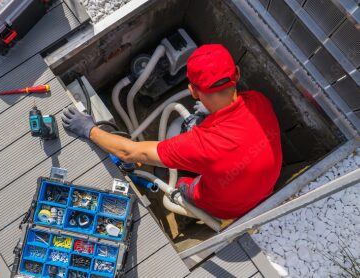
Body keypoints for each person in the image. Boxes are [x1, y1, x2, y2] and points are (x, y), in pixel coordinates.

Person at [62, 44, 282, 220]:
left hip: (225, 207)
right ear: (237, 74)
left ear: (193, 91)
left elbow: (129, 153)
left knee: (180, 185)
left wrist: (89, 129)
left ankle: (176, 191)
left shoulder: (202, 145)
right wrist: (210, 115)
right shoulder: (258, 102)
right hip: (264, 189)